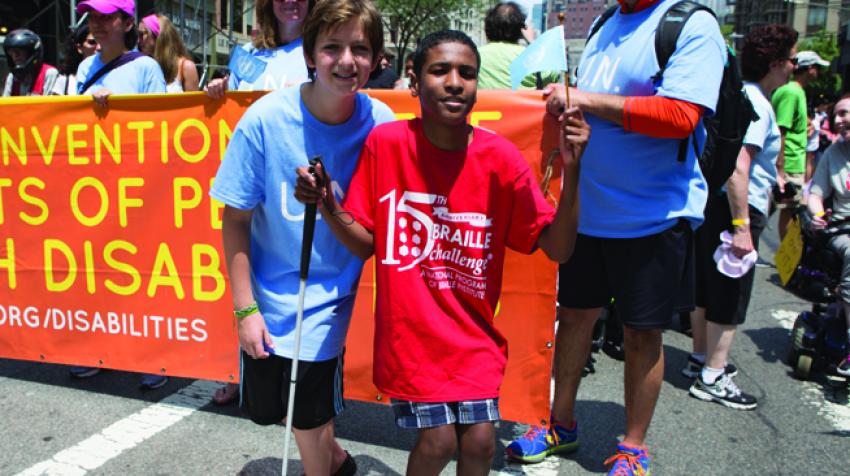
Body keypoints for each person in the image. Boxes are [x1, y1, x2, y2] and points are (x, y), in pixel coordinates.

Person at [295, 29, 587, 476]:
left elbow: (560, 249)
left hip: (474, 341)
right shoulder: (387, 144)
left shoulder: (501, 159)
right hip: (413, 339)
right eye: (440, 71)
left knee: (482, 443)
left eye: (467, 74)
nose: (455, 82)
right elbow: (367, 243)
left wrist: (574, 168)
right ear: (414, 81)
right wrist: (329, 205)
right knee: (437, 442)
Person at [505, 0, 725, 473]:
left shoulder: (691, 24)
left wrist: (583, 98)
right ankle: (558, 423)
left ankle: (633, 445)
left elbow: (681, 116)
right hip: (587, 215)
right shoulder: (607, 21)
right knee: (573, 320)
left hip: (653, 218)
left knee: (641, 334)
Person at [209, 1, 392, 473]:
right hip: (269, 296)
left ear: (376, 60)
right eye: (332, 47)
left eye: (361, 48)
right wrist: (245, 310)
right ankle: (339, 461)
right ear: (310, 54)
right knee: (275, 408)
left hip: (329, 297)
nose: (347, 61)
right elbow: (235, 220)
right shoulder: (265, 120)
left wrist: (330, 205)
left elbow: (376, 236)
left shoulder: (383, 125)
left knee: (309, 417)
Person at [207, 0, 316, 406]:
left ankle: (303, 372)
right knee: (246, 275)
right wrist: (219, 89)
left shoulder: (322, 50)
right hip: (255, 181)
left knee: (295, 274)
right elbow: (231, 113)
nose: (291, 1)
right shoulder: (250, 57)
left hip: (300, 183)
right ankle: (242, 370)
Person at [685, 23, 798, 411]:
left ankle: (700, 358)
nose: (794, 69)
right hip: (737, 208)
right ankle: (714, 375)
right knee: (731, 293)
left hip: (713, 204)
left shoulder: (736, 95)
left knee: (706, 287)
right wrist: (742, 226)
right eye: (792, 61)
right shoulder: (757, 104)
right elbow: (739, 167)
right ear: (776, 63)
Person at [70, 0, 168, 390]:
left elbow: (163, 124)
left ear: (127, 23)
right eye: (93, 16)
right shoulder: (83, 68)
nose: (98, 24)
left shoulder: (146, 68)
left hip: (136, 185)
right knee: (99, 270)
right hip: (94, 187)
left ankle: (152, 355)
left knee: (140, 271)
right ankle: (98, 348)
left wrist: (119, 112)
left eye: (107, 16)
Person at [807, 93, 850, 378]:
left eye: (845, 113)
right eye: (836, 114)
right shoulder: (834, 153)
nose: (839, 120)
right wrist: (817, 213)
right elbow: (816, 193)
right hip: (843, 228)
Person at [772, 50, 830, 240]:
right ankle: (787, 263)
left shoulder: (796, 92)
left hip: (794, 160)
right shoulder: (791, 91)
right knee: (787, 213)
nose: (818, 73)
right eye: (817, 68)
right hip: (788, 162)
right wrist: (780, 168)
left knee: (788, 211)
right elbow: (781, 129)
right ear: (809, 69)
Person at [205, 0, 312, 98]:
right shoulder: (248, 51)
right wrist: (217, 90)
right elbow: (230, 100)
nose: (290, 0)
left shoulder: (319, 52)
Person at [477, 1, 558, 90]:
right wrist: (532, 42)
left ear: (487, 29)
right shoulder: (531, 58)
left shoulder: (475, 56)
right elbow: (553, 75)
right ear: (521, 30)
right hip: (524, 104)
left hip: (485, 104)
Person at [138, 13, 199, 92]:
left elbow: (193, 104)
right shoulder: (144, 66)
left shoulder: (186, 67)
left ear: (159, 36)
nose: (138, 41)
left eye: (141, 34)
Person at [2, 29, 60, 97]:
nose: (15, 55)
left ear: (32, 52)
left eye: (20, 50)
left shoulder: (49, 73)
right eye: (11, 52)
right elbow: (6, 105)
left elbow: (49, 105)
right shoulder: (12, 77)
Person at [51, 25, 98, 96]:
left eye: (102, 42)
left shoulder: (113, 78)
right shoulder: (64, 82)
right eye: (92, 42)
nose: (99, 47)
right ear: (79, 48)